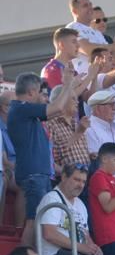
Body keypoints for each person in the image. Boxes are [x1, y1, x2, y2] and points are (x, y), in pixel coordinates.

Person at [9, 72, 80, 245]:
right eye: (41, 92)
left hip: (38, 174)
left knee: (39, 220)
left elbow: (59, 108)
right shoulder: (21, 108)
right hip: (34, 175)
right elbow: (56, 108)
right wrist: (68, 84)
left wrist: (72, 85)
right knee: (34, 221)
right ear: (32, 92)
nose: (44, 97)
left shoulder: (26, 112)